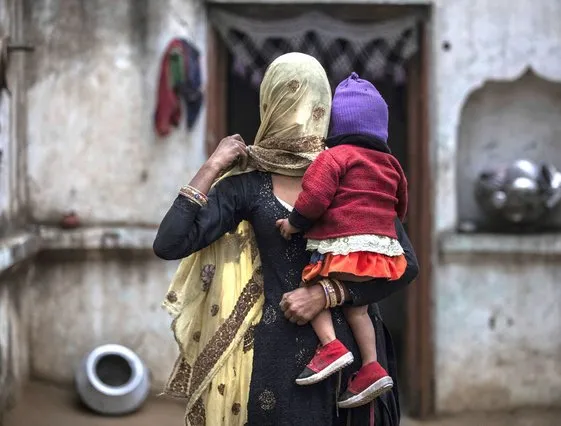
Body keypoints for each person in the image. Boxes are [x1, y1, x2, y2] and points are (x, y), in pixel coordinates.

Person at [153, 53, 419, 426]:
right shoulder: (246, 186)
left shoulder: (353, 174)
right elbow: (170, 243)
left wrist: (327, 294)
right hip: (281, 368)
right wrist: (212, 167)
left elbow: (406, 264)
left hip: (357, 369)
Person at [276, 73, 407, 410]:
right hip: (381, 256)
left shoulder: (334, 157)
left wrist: (294, 223)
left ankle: (330, 347)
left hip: (342, 250)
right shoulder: (391, 164)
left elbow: (315, 198)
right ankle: (372, 367)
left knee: (312, 278)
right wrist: (383, 231)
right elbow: (401, 204)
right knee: (358, 309)